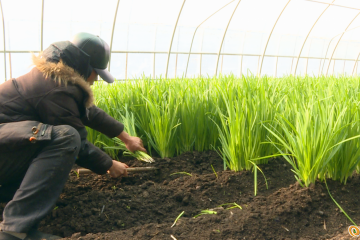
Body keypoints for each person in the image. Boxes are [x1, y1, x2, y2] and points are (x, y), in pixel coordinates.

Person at [0, 32, 147, 240]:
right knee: (66, 138)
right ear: (84, 67)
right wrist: (109, 164)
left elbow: (89, 112)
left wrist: (126, 138)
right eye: (95, 73)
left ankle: (12, 196)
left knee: (49, 138)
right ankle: (14, 230)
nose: (96, 79)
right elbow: (78, 142)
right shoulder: (54, 87)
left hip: (6, 149)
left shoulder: (57, 80)